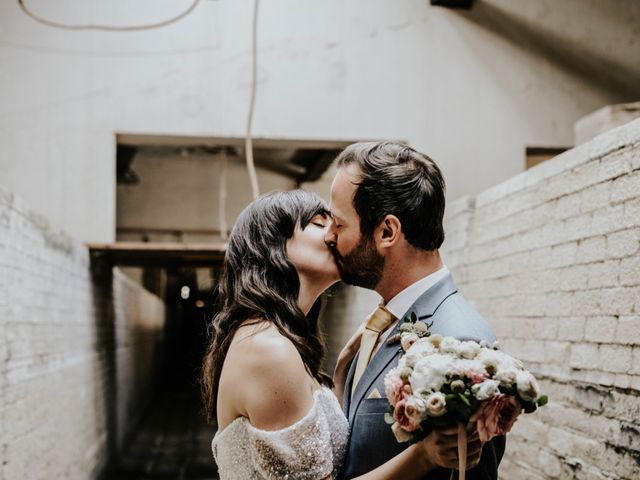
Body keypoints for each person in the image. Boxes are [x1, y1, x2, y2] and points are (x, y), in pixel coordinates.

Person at [201, 190, 483, 480]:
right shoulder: (269, 351)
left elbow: (316, 444)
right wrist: (424, 455)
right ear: (273, 244)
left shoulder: (275, 338)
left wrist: (343, 370)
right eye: (319, 223)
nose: (334, 234)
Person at [325, 141, 506, 480]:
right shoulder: (382, 322)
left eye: (339, 223)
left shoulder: (461, 344)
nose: (329, 236)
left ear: (387, 232)